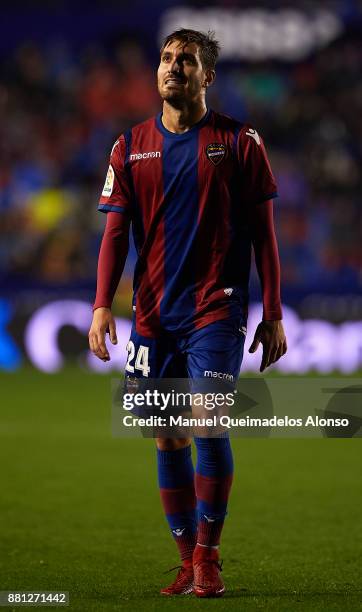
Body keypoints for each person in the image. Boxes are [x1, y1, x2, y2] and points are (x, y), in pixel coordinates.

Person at [88, 28, 287, 598]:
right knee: (166, 437)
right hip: (151, 315)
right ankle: (184, 557)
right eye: (167, 58)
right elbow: (115, 235)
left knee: (206, 422)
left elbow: (265, 238)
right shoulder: (128, 147)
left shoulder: (240, 141)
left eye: (188, 60)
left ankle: (208, 554)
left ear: (208, 77)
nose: (174, 67)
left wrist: (273, 311)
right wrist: (103, 305)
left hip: (215, 310)